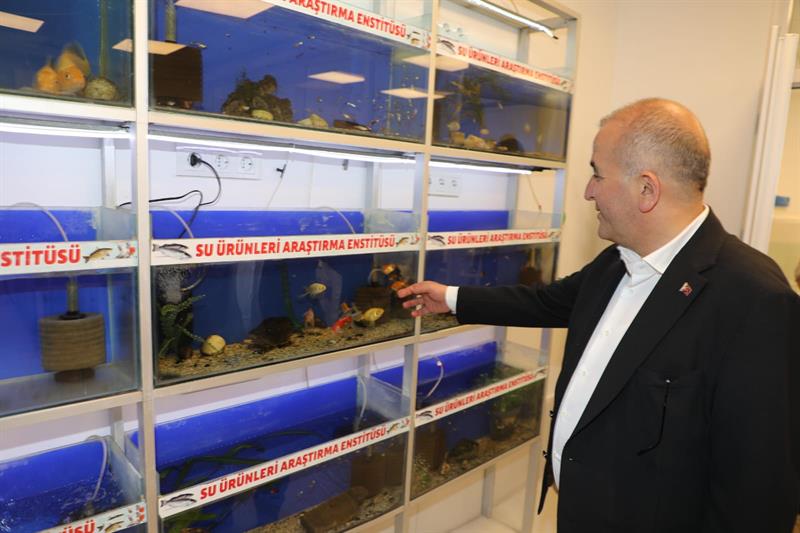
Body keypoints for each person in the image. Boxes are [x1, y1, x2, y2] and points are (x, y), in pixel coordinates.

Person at [398, 98, 800, 532]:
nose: (588, 191)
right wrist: (452, 298)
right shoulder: (617, 261)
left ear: (646, 189)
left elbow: (759, 491)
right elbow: (546, 302)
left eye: (597, 174)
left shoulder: (754, 299)